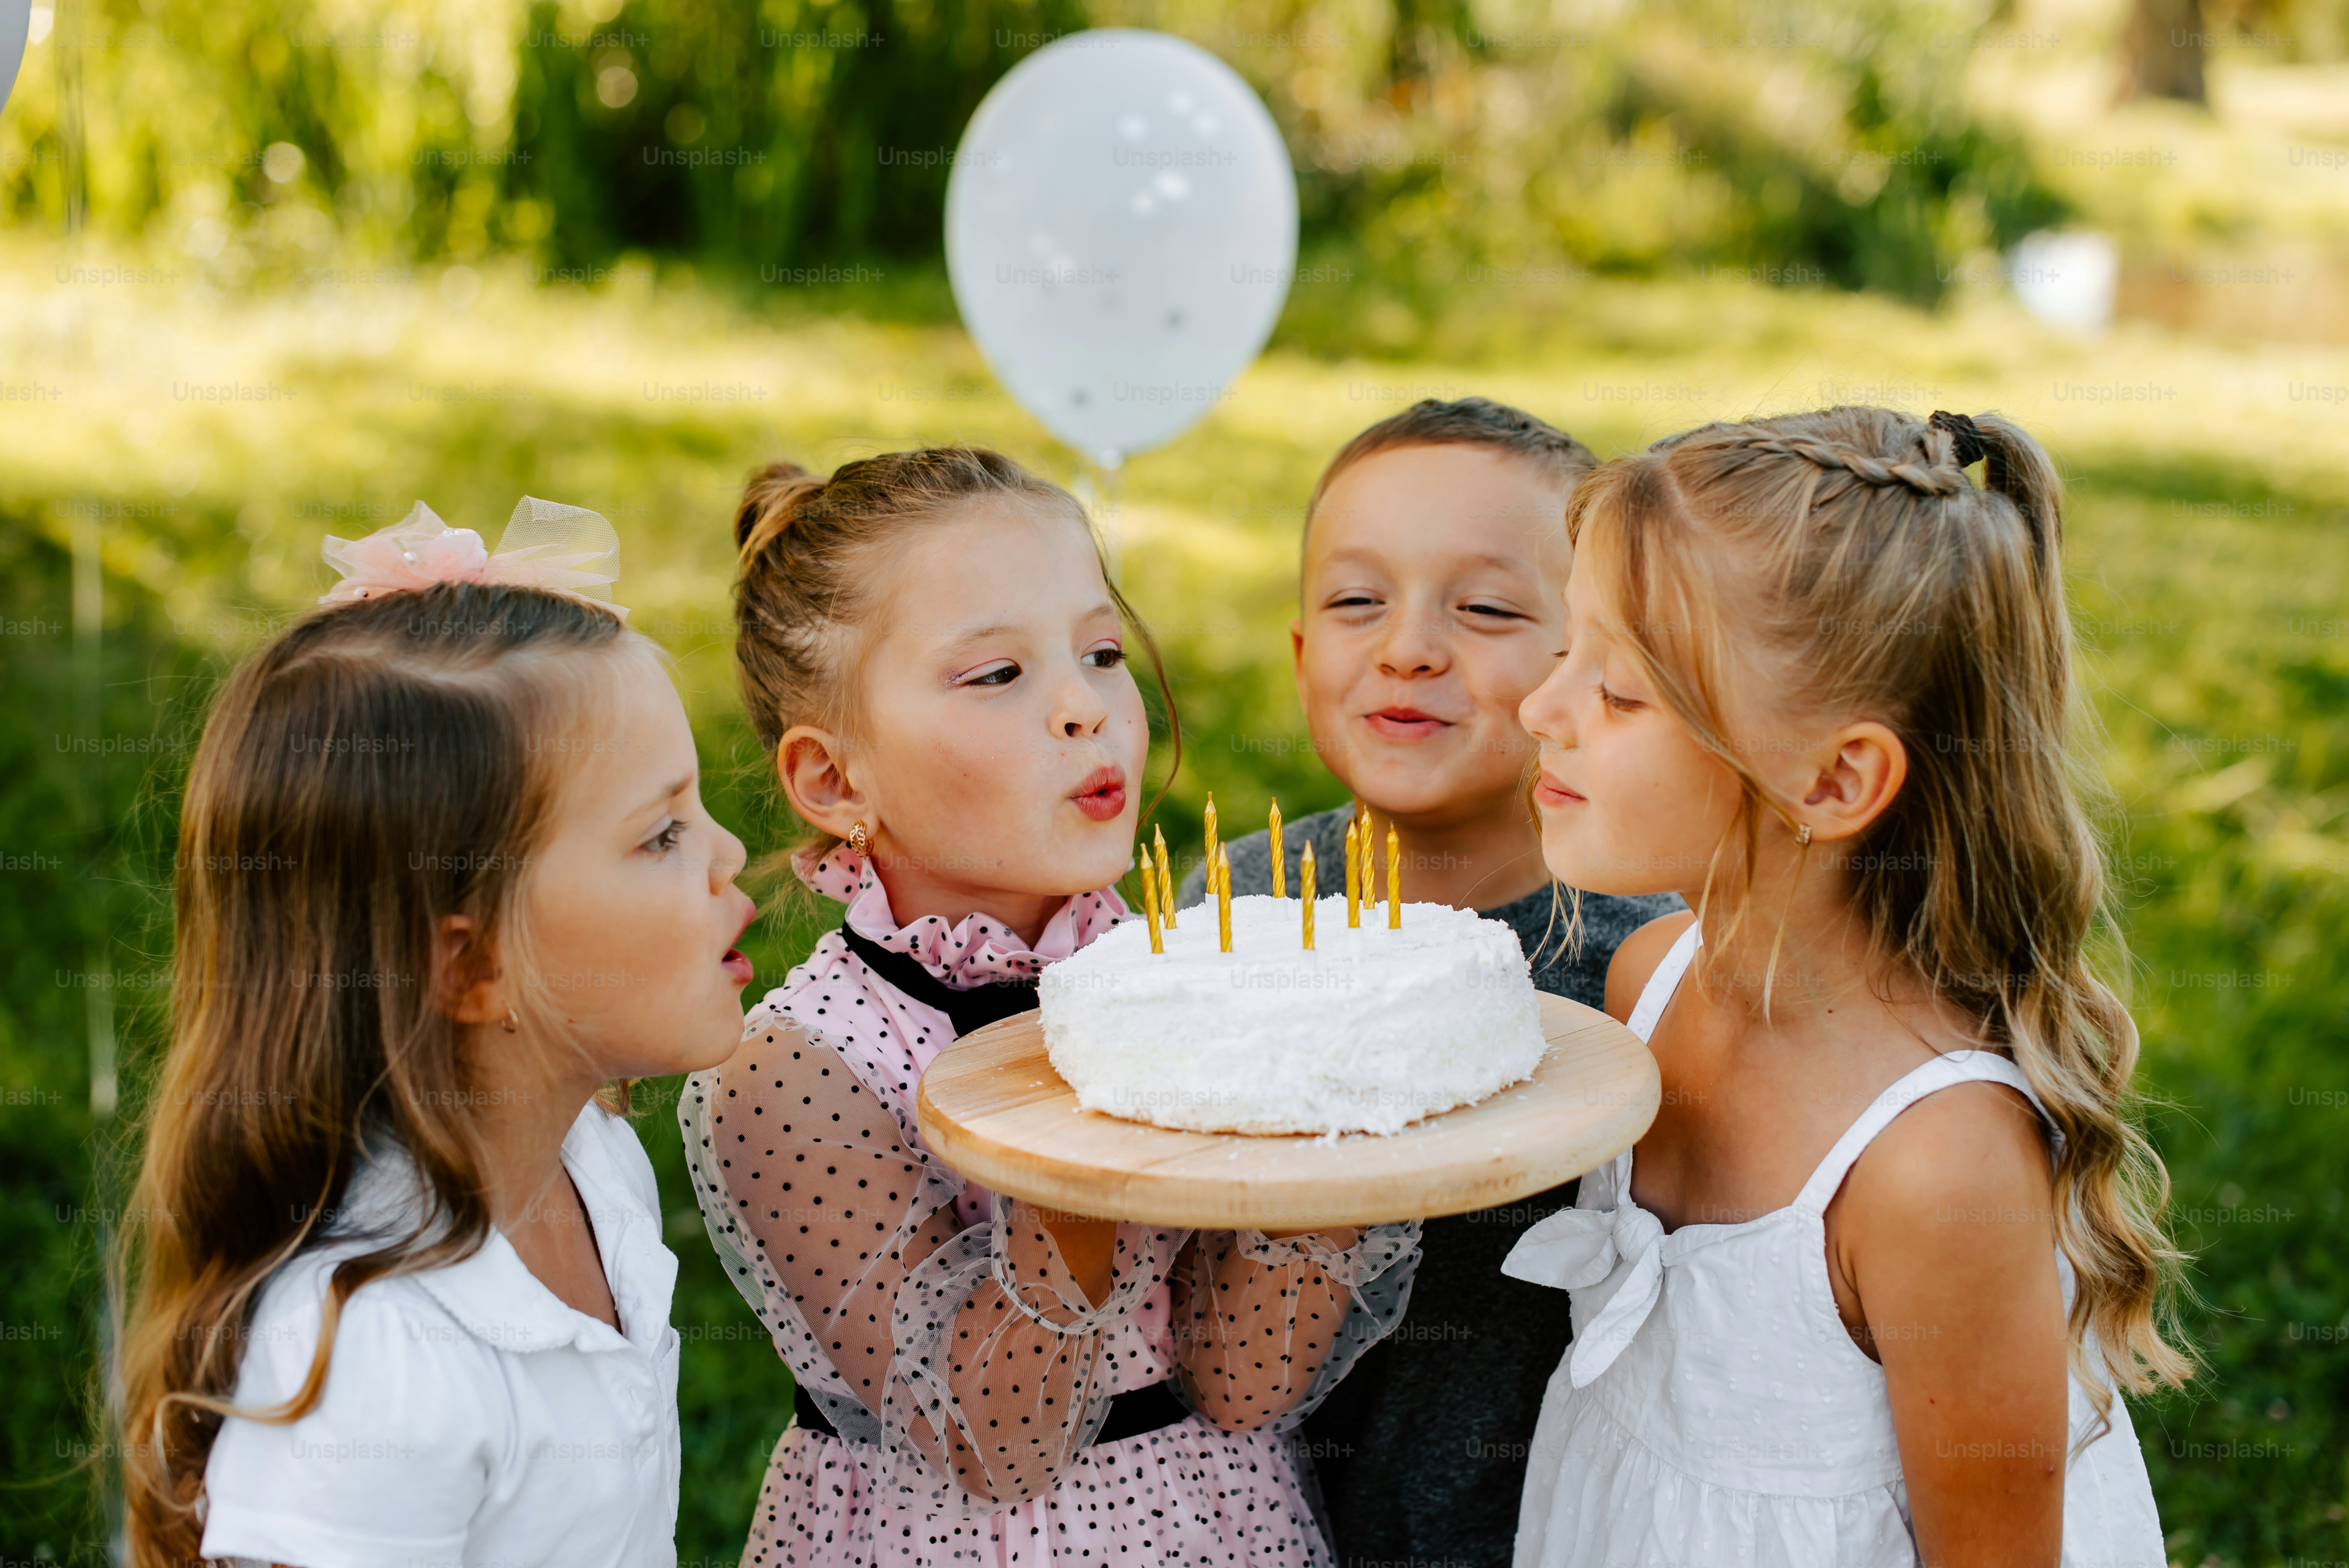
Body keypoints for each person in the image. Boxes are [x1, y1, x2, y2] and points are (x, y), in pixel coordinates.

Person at [681, 447, 1422, 1564]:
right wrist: (1073, 1147)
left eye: (1103, 651)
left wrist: (1319, 1114)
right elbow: (996, 1442)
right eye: (997, 676)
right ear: (835, 781)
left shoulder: (1184, 977)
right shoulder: (794, 1072)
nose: (1085, 707)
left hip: (1215, 1521)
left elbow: (1242, 1379)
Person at [1507, 408, 2187, 1566]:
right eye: (1566, 652)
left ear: (1834, 779)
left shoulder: (1934, 1168)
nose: (1539, 709)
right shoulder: (1646, 985)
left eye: (1619, 692)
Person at [118, 501, 754, 1568]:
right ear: (469, 966)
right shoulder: (377, 1361)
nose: (731, 854)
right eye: (661, 834)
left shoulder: (592, 1164)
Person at [1177, 398, 1680, 1565]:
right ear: (1304, 654)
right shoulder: (1227, 914)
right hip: (1244, 1521)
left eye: (1489, 608)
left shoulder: (1649, 957)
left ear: (1591, 668)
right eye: (1357, 601)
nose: (1407, 647)